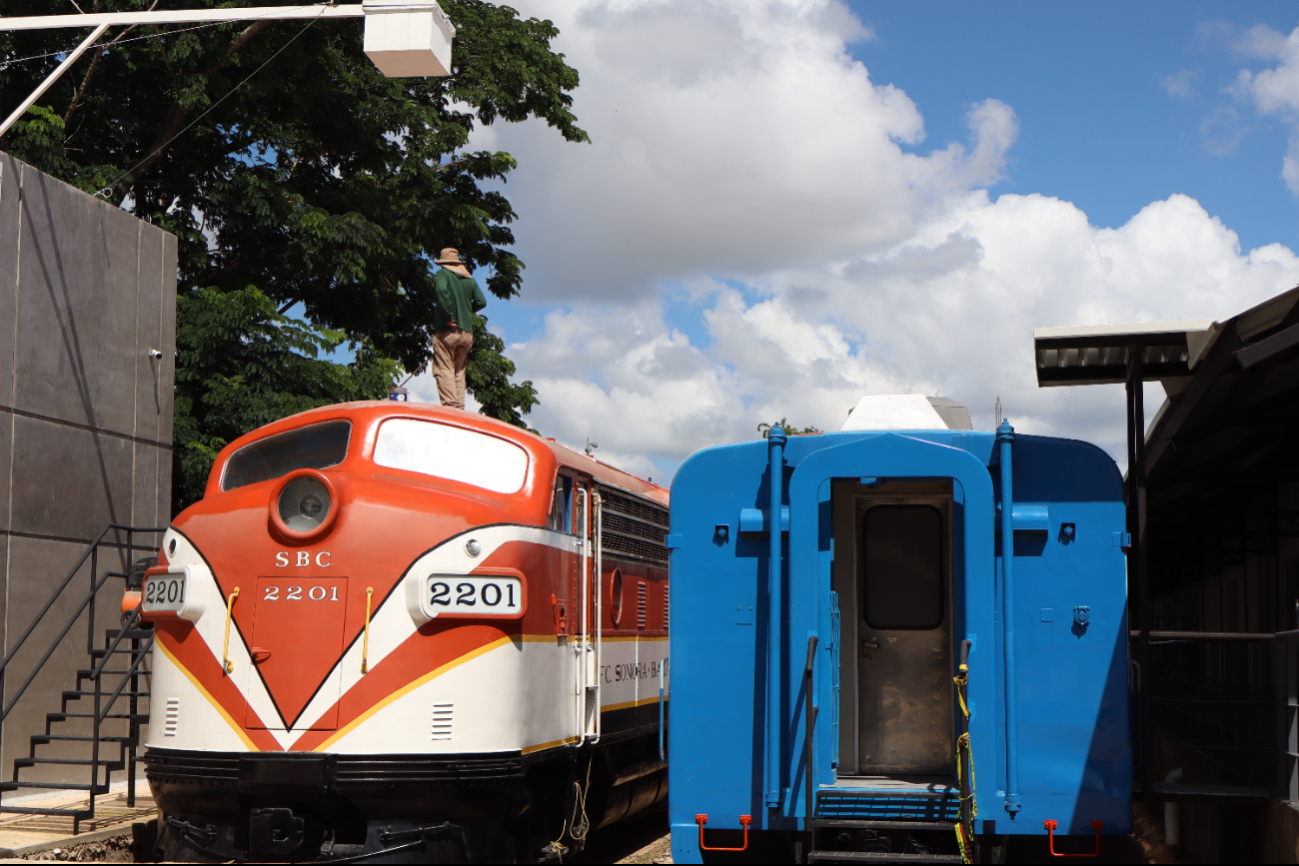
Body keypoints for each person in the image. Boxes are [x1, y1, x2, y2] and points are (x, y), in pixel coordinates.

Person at [431, 247, 487, 410]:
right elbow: (481, 302)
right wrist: (466, 312)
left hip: (448, 331)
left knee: (444, 367)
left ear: (443, 263)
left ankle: (450, 406)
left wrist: (449, 317)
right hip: (466, 333)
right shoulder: (468, 278)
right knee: (459, 371)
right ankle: (460, 407)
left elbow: (442, 290)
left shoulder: (442, 274)